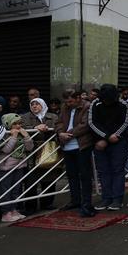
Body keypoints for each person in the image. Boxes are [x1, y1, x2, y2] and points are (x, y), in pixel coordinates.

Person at [87, 84, 128, 211]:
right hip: (100, 141)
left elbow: (126, 122)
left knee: (118, 170)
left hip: (118, 141)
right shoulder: (95, 104)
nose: (106, 102)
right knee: (103, 171)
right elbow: (92, 122)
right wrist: (105, 137)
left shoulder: (123, 105)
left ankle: (117, 199)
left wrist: (115, 136)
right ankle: (106, 198)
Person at [55, 89, 95, 217]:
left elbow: (85, 125)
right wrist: (61, 133)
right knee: (71, 176)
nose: (68, 104)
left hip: (81, 145)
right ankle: (75, 200)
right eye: (66, 101)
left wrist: (69, 134)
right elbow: (59, 122)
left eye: (71, 101)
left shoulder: (88, 107)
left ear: (78, 98)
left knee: (85, 175)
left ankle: (86, 203)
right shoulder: (65, 107)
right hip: (67, 146)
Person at [20, 97, 59, 213]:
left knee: (49, 175)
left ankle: (47, 203)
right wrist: (34, 128)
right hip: (31, 150)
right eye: (32, 104)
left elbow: (58, 128)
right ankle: (30, 205)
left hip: (48, 148)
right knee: (30, 178)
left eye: (37, 104)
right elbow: (20, 127)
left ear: (43, 105)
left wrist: (48, 129)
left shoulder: (53, 117)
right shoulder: (25, 117)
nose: (34, 106)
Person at [0, 113, 33, 223]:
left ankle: (13, 209)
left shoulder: (22, 133)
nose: (18, 126)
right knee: (6, 190)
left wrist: (26, 136)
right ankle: (6, 212)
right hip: (6, 166)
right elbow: (6, 150)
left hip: (20, 164)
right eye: (15, 124)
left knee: (16, 189)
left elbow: (29, 147)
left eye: (20, 123)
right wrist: (13, 137)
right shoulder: (4, 134)